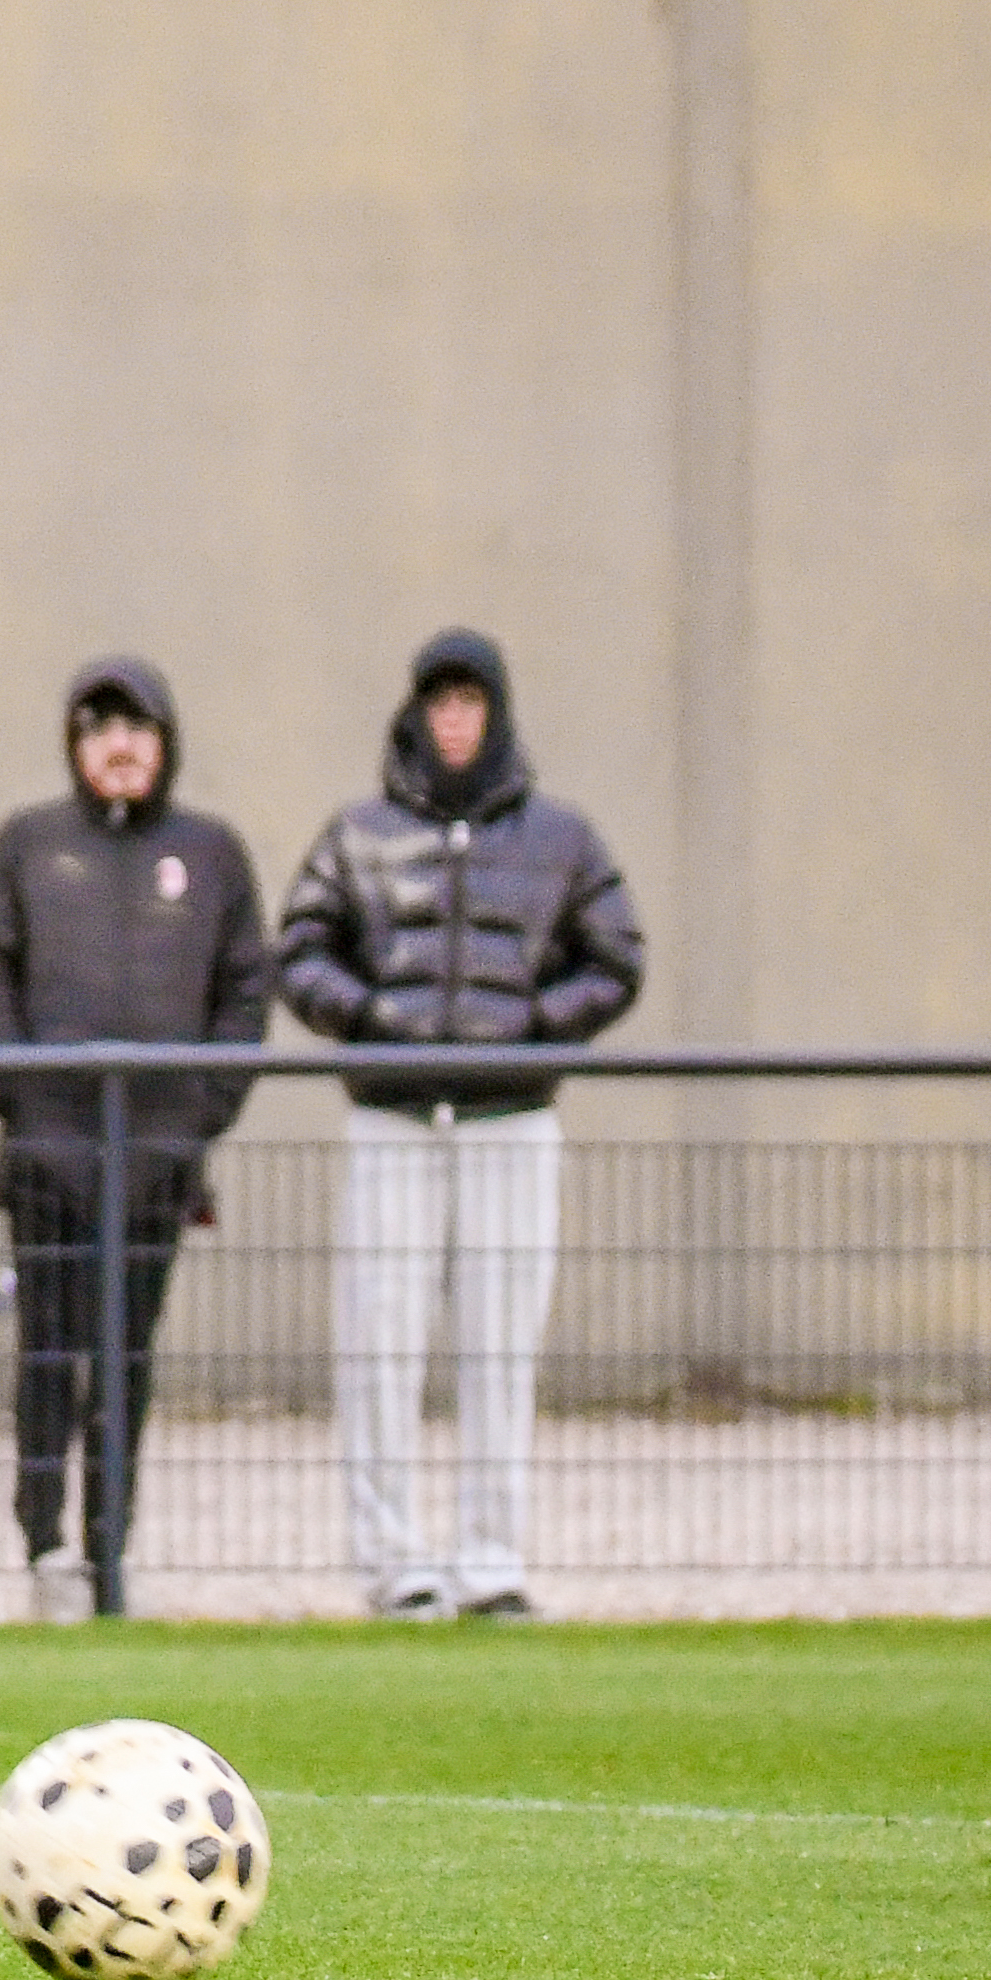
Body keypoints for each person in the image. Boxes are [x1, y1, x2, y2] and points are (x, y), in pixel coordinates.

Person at [276, 629, 643, 1621]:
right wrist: (367, 1017)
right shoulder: (357, 832)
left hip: (510, 1121)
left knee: (499, 1344)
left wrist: (532, 1026)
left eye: (468, 702)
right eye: (436, 702)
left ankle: (490, 1560)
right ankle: (392, 1561)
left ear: (495, 714)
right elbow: (299, 946)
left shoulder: (559, 838)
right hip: (391, 1122)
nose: (452, 720)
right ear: (414, 713)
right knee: (379, 1342)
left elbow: (616, 957)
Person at [0, 657, 269, 1623]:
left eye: (136, 731)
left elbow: (246, 989)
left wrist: (197, 1112)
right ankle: (44, 1543)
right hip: (47, 1162)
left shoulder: (209, 851)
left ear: (163, 744)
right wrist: (20, 1097)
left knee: (127, 1359)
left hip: (157, 1167)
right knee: (49, 1356)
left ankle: (109, 1555)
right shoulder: (28, 844)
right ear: (75, 745)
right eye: (100, 731)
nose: (119, 749)